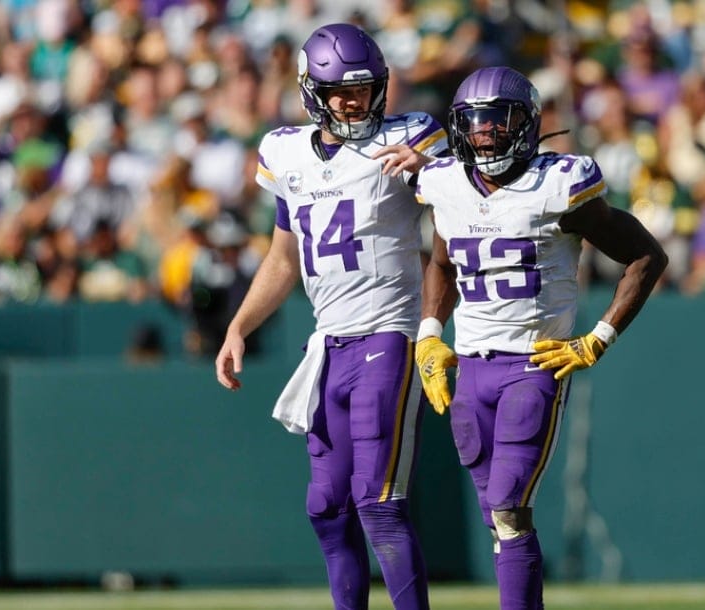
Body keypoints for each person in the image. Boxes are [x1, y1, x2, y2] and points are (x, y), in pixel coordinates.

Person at [413, 67, 667, 609]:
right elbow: (440, 263)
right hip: (470, 370)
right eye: (473, 123)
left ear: (525, 125)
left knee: (508, 506)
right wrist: (430, 334)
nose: (484, 133)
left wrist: (598, 337)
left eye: (496, 121)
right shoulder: (445, 183)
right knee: (497, 519)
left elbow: (646, 255)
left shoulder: (560, 184)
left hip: (534, 364)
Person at [214, 23, 448, 610]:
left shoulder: (410, 135)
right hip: (328, 345)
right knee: (326, 506)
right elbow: (282, 256)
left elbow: (464, 168)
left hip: (388, 333)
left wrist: (426, 165)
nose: (355, 101)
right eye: (341, 91)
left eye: (365, 89)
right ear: (310, 90)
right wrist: (239, 325)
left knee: (379, 502)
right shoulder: (284, 151)